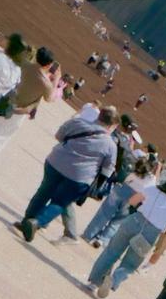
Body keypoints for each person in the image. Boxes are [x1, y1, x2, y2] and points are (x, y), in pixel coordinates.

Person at [13, 103, 118, 243]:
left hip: (56, 162)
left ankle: (27, 220)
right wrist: (96, 187)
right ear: (112, 126)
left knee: (43, 192)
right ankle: (36, 222)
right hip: (79, 176)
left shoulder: (77, 122)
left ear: (99, 116)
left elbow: (59, 135)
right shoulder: (110, 145)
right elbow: (107, 169)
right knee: (60, 202)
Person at [86, 174, 166, 299]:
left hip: (134, 220)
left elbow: (132, 201)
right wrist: (159, 251)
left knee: (111, 252)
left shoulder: (152, 189)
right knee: (130, 264)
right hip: (150, 234)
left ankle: (94, 282)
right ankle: (113, 280)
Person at [83, 153, 156, 248]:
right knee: (118, 221)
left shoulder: (136, 167)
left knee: (103, 214)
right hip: (134, 197)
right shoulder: (151, 178)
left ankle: (89, 235)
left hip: (121, 189)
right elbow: (151, 190)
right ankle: (102, 240)